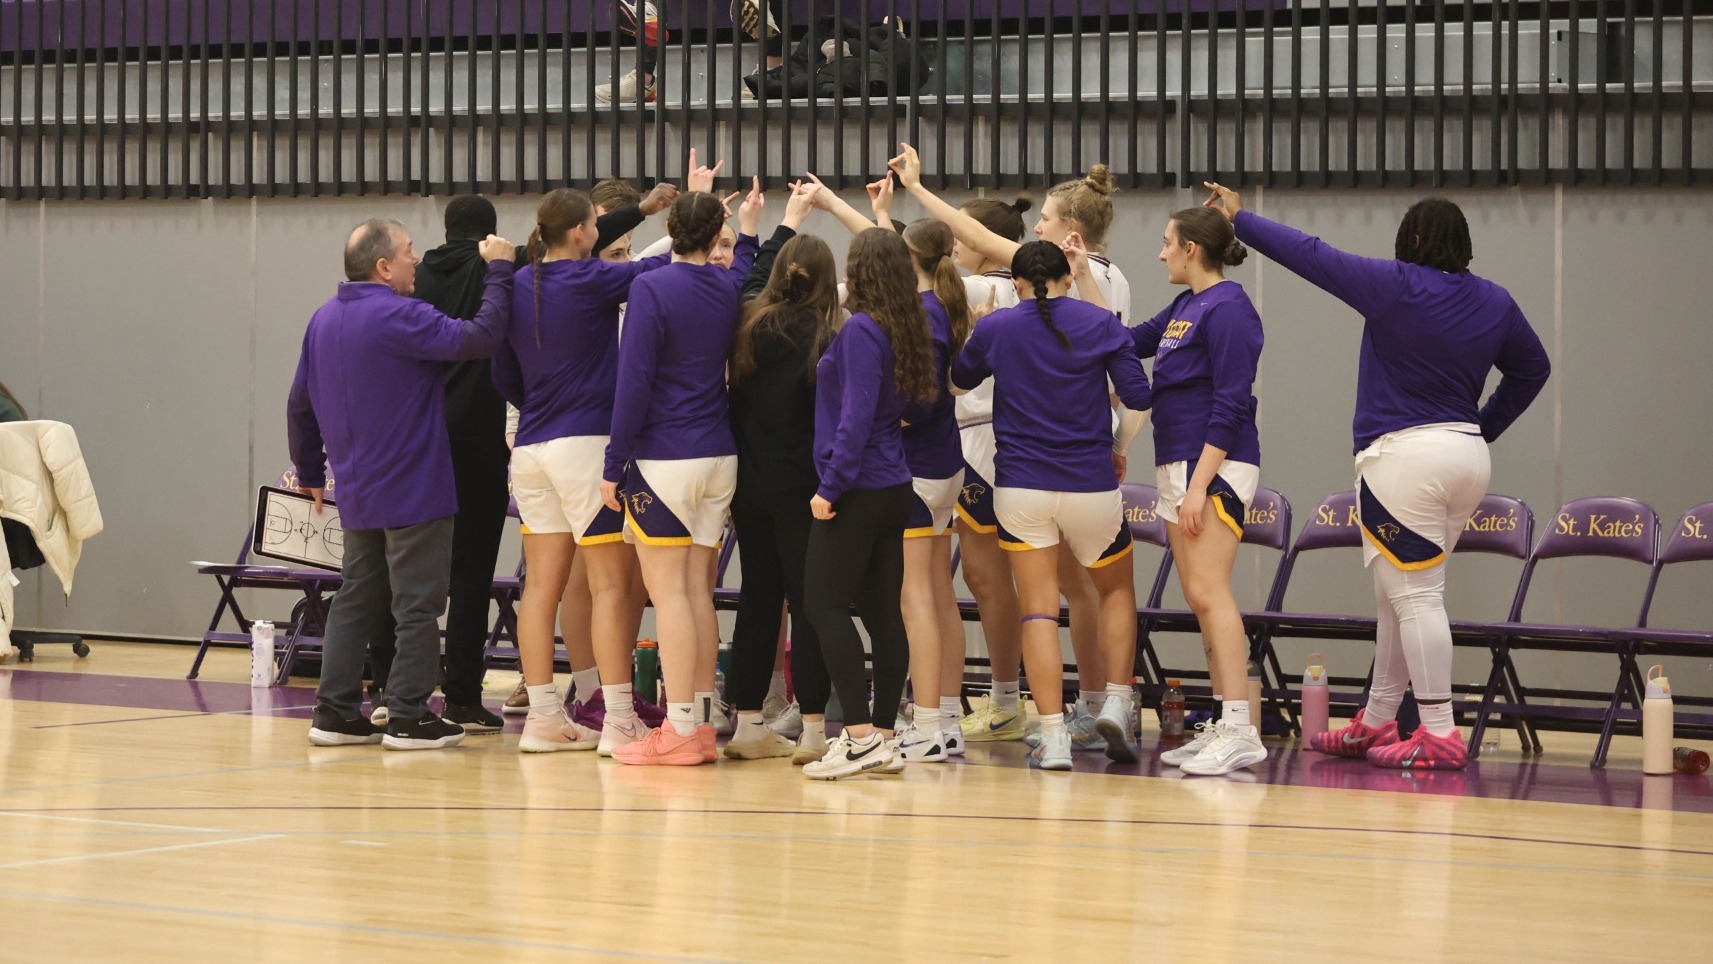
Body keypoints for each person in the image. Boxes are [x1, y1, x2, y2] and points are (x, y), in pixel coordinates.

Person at [1205, 184, 1551, 770]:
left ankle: (1440, 732)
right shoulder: (1495, 301)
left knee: (1415, 596)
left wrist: (1240, 218)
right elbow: (1533, 368)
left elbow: (1312, 255)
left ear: (1412, 240)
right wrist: (1481, 427)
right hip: (1466, 456)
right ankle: (1376, 718)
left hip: (1403, 458)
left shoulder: (1396, 285)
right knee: (1397, 593)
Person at [888, 144, 1129, 752]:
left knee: (1034, 596)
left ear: (1068, 237)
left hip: (1028, 449)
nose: (1035, 230)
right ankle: (1097, 706)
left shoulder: (1069, 277)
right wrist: (1121, 440)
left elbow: (956, 239)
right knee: (1079, 587)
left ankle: (1041, 709)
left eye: (1043, 221)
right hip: (1081, 451)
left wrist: (918, 192)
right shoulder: (1111, 280)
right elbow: (1134, 390)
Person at [290, 218, 516, 750]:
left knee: (356, 598)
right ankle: (409, 714)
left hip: (358, 486)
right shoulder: (398, 314)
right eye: (410, 252)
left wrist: (308, 472)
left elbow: (299, 403)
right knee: (417, 603)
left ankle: (335, 710)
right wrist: (500, 273)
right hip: (415, 484)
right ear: (383, 267)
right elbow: (479, 338)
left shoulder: (322, 320)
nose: (418, 259)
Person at [492, 187, 682, 754]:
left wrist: (642, 211)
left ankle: (546, 717)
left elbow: (502, 373)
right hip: (584, 446)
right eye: (594, 228)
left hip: (529, 450)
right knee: (608, 586)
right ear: (579, 234)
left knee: (541, 591)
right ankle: (618, 718)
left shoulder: (515, 283)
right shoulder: (591, 279)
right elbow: (657, 268)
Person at [949, 240, 1152, 770]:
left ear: (1015, 282)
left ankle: (1054, 735)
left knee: (1038, 609)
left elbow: (956, 381)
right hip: (1091, 485)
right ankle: (1114, 700)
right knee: (1114, 592)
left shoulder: (997, 328)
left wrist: (978, 327)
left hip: (1019, 489)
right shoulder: (1099, 322)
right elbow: (1138, 394)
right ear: (1067, 275)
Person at [601, 178, 763, 766]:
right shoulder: (726, 285)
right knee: (698, 591)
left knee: (669, 595)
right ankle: (697, 720)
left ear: (669, 232)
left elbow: (633, 380)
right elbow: (745, 260)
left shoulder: (652, 286)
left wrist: (613, 463)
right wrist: (746, 228)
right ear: (713, 237)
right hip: (720, 454)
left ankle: (678, 728)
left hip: (667, 455)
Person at [1128, 206, 1267, 777]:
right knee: (1199, 597)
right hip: (1177, 463)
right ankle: (1223, 724)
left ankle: (1240, 728)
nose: (1160, 253)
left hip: (1214, 466)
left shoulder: (1232, 309)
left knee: (1212, 593)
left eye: (1166, 244)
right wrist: (1080, 274)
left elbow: (1232, 403)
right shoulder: (1187, 305)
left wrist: (1199, 485)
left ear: (1191, 248)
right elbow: (1127, 338)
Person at [800, 228, 938, 780]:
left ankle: (857, 737)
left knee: (823, 604)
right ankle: (883, 735)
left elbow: (854, 419)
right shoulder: (906, 326)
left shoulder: (860, 329)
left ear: (859, 271)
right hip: (894, 486)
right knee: (883, 611)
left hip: (856, 486)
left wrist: (829, 487)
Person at [724, 183, 836, 763]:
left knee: (758, 599)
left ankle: (746, 722)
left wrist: (783, 223)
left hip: (750, 487)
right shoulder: (826, 337)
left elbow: (750, 279)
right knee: (810, 600)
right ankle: (814, 727)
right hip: (805, 490)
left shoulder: (746, 323)